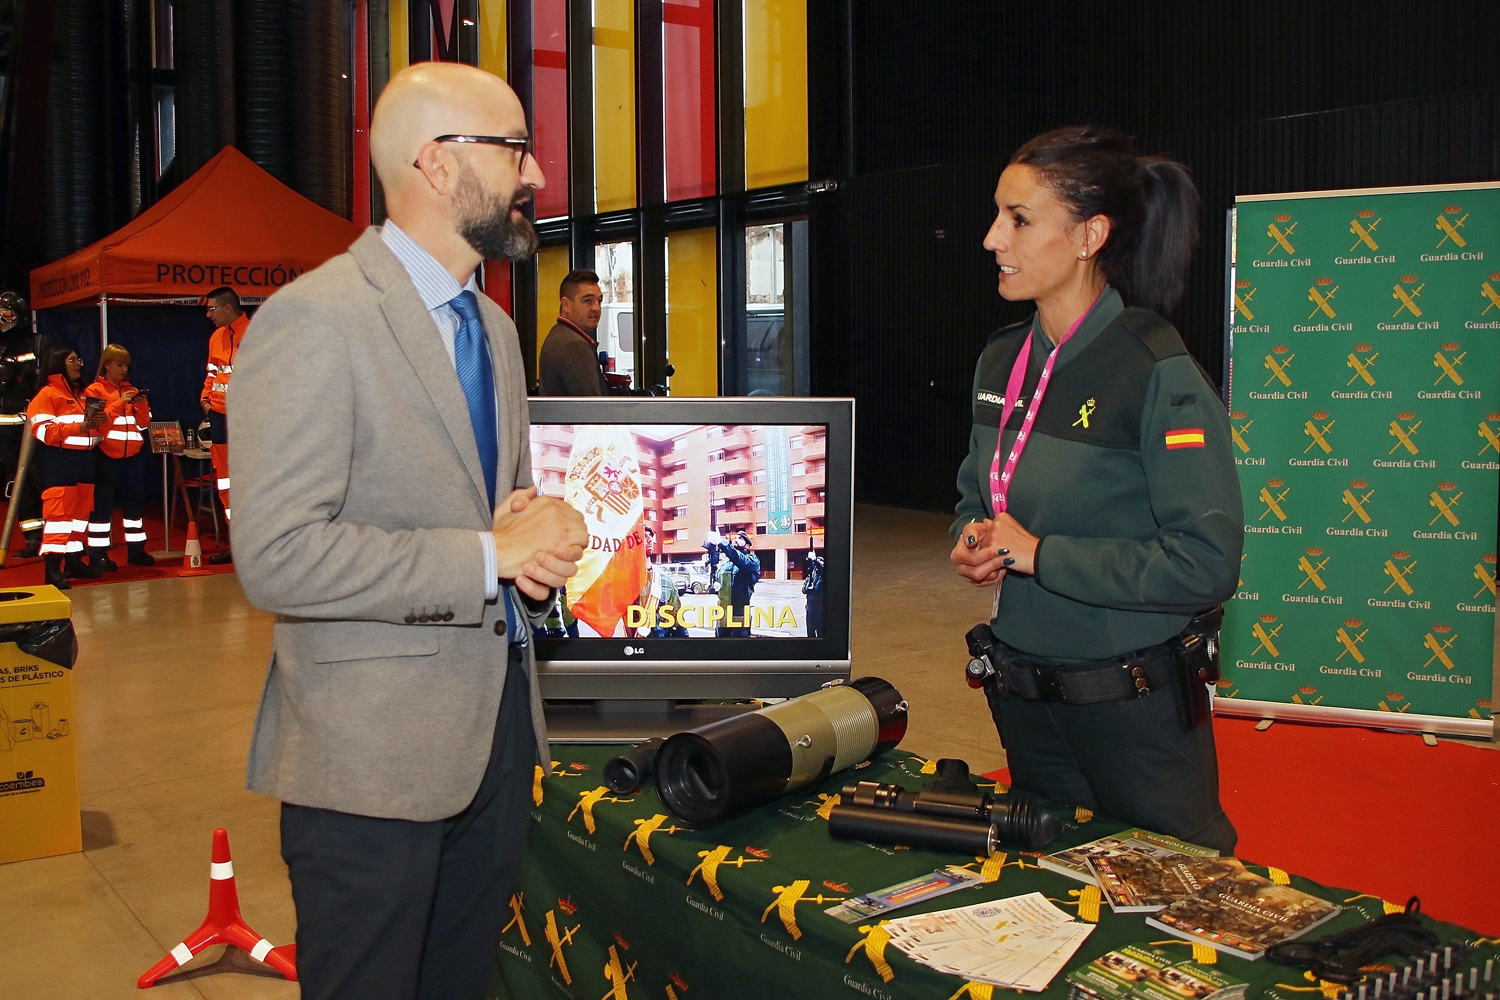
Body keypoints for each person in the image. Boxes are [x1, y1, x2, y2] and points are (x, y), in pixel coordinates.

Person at [229, 62, 588, 1000]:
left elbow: (490, 509)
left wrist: (534, 526)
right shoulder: (315, 320)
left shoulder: (498, 332)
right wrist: (486, 555)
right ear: (435, 163)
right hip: (370, 766)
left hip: (497, 738)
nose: (538, 175)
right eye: (515, 149)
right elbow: (276, 554)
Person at [949, 126, 1242, 853]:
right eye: (996, 214)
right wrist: (974, 538)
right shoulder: (1000, 359)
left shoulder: (1154, 369)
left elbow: (1205, 563)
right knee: (1046, 896)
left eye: (1018, 219)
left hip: (1131, 715)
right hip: (1022, 702)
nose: (992, 238)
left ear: (1090, 235)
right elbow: (976, 495)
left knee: (1171, 905)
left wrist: (1044, 556)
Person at [26, 348, 105, 587]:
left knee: (81, 515)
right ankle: (52, 568)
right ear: (58, 363)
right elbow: (42, 432)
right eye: (72, 360)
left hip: (86, 461)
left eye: (79, 359)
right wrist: (77, 428)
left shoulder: (83, 395)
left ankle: (73, 561)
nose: (78, 364)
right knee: (59, 515)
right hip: (59, 460)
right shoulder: (47, 395)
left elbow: (97, 431)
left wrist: (102, 423)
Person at [84, 344, 155, 569]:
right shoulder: (94, 391)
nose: (123, 369)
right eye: (119, 364)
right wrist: (118, 403)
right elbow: (94, 424)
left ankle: (136, 551)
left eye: (126, 365)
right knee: (102, 508)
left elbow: (144, 424)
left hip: (132, 458)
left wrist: (141, 405)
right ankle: (97, 554)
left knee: (134, 508)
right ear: (107, 364)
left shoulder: (131, 389)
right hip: (105, 457)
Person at [201, 285, 247, 564]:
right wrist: (206, 401)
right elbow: (212, 373)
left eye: (212, 308)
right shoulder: (216, 337)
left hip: (247, 422)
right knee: (226, 484)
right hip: (219, 418)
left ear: (228, 308)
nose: (208, 314)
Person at [0, 291, 47, 556]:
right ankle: (32, 537)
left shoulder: (38, 344)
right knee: (15, 482)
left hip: (32, 425)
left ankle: (53, 533)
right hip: (4, 427)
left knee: (39, 477)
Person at [538, 269, 610, 395]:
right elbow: (592, 408)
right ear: (566, 305)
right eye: (588, 301)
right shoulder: (575, 345)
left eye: (599, 301)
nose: (596, 308)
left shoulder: (558, 335)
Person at [633, 523, 687, 638]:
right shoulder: (622, 578)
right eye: (644, 536)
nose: (650, 539)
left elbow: (677, 620)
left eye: (651, 535)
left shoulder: (664, 580)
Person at [706, 528, 760, 637]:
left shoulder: (752, 560)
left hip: (739, 611)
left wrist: (722, 543)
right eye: (735, 538)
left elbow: (740, 561)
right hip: (723, 610)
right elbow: (719, 580)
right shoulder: (727, 563)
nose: (736, 539)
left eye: (740, 538)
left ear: (747, 546)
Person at [802, 547, 825, 638]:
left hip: (820, 608)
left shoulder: (823, 575)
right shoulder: (812, 576)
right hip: (810, 607)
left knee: (820, 632)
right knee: (810, 631)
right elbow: (803, 589)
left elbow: (822, 570)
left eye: (821, 561)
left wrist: (815, 560)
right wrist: (809, 587)